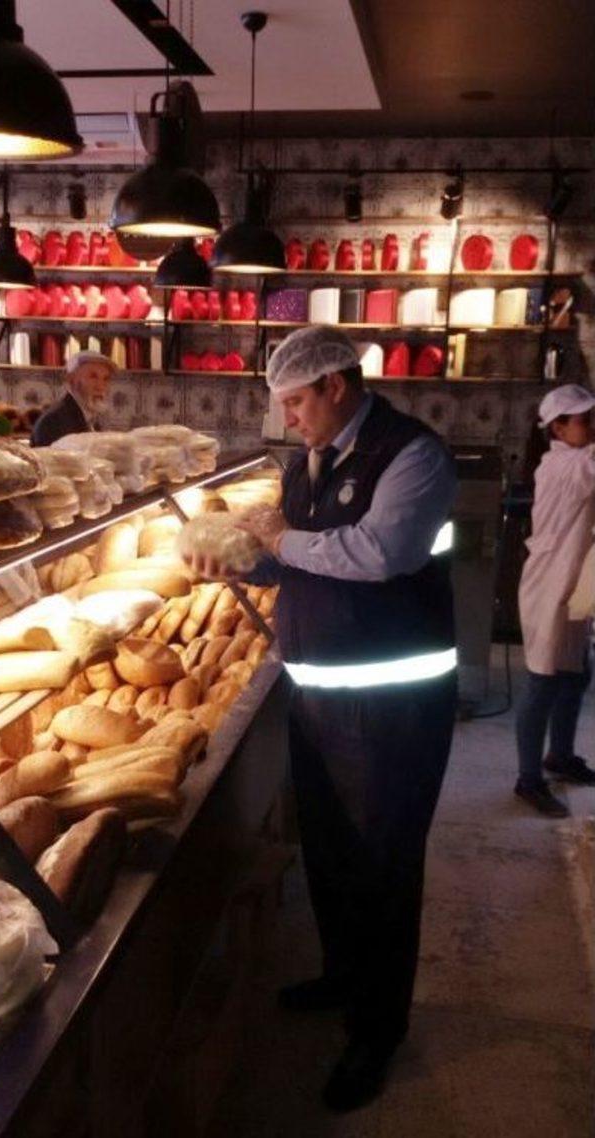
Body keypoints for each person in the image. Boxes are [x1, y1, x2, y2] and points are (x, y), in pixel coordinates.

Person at [188, 326, 458, 1112]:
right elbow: (293, 558)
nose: (288, 415)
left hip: (391, 709)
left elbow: (377, 554)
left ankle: (377, 1033)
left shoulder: (413, 455)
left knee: (383, 869)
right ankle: (344, 978)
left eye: (296, 400)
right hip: (318, 699)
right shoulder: (304, 461)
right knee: (334, 859)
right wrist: (240, 556)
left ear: (337, 386)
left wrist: (279, 536)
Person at [515, 383, 595, 818]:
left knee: (574, 674)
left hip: (574, 582)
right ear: (558, 428)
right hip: (548, 585)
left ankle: (559, 757)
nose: (592, 425)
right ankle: (528, 780)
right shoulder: (563, 466)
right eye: (585, 418)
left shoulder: (579, 459)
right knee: (542, 680)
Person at [30, 350, 115, 446]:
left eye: (106, 379)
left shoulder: (92, 420)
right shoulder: (54, 422)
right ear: (71, 380)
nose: (101, 387)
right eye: (93, 377)